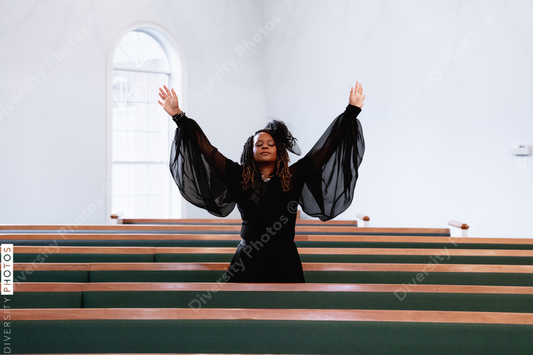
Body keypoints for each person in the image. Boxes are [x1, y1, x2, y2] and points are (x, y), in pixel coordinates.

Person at [158, 82, 365, 283]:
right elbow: (208, 152)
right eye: (259, 144)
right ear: (251, 151)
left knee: (288, 314)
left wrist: (351, 111)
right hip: (247, 258)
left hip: (285, 258)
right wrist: (178, 115)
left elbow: (325, 150)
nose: (264, 146)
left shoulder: (293, 176)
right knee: (242, 313)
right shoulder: (238, 176)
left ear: (279, 151)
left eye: (270, 144)